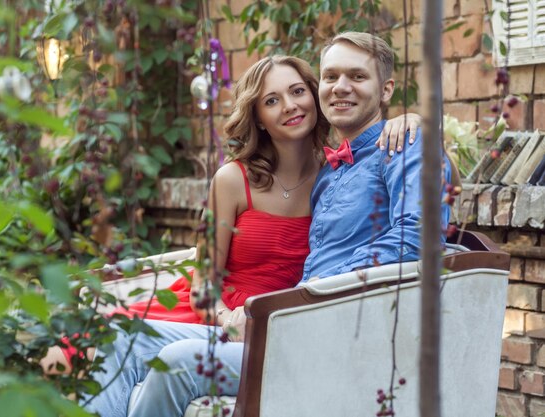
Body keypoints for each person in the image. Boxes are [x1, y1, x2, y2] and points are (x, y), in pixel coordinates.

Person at [90, 32, 450, 417]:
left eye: (357, 77)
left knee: (177, 362)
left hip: (324, 328)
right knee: (120, 337)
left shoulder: (404, 144)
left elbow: (418, 235)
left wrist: (307, 295)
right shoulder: (330, 172)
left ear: (385, 89)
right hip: (276, 321)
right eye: (331, 77)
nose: (341, 87)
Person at [41, 54, 423, 376]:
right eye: (271, 101)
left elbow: (425, 189)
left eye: (297, 92)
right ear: (257, 117)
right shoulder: (232, 180)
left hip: (281, 317)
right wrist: (228, 319)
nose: (289, 106)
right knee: (79, 348)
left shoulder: (339, 175)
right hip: (216, 315)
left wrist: (416, 123)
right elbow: (203, 285)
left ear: (314, 97)